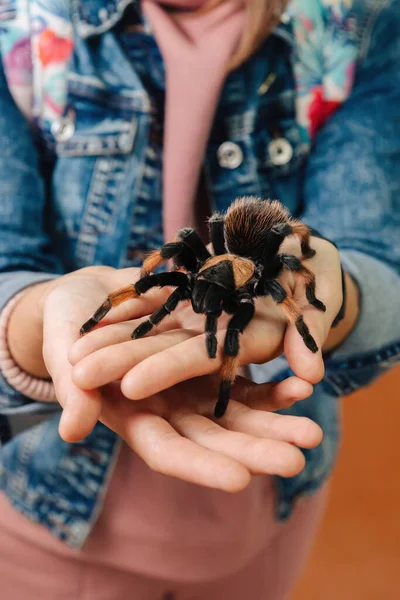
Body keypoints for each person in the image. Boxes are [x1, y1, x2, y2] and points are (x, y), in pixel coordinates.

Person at [0, 0, 399, 598]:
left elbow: (346, 262)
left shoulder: (359, 23)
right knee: (175, 277)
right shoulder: (22, 26)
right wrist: (40, 317)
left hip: (260, 527)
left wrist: (327, 305)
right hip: (44, 530)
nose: (191, 305)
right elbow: (149, 273)